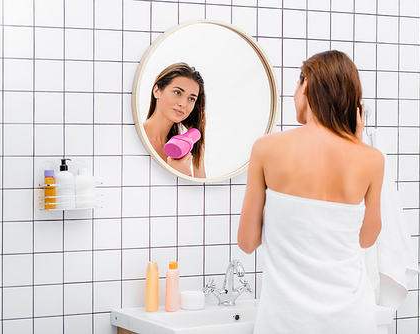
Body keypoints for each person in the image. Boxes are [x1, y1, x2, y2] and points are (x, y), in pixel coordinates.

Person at [238, 50, 385, 333]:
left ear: (306, 86)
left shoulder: (266, 149)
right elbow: (367, 239)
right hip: (352, 318)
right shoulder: (371, 159)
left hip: (286, 321)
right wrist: (356, 143)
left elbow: (247, 242)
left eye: (297, 84)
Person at [143, 62, 206, 178]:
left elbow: (199, 193)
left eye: (191, 99)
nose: (183, 104)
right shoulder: (135, 137)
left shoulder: (180, 149)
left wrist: (198, 151)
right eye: (177, 93)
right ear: (156, 91)